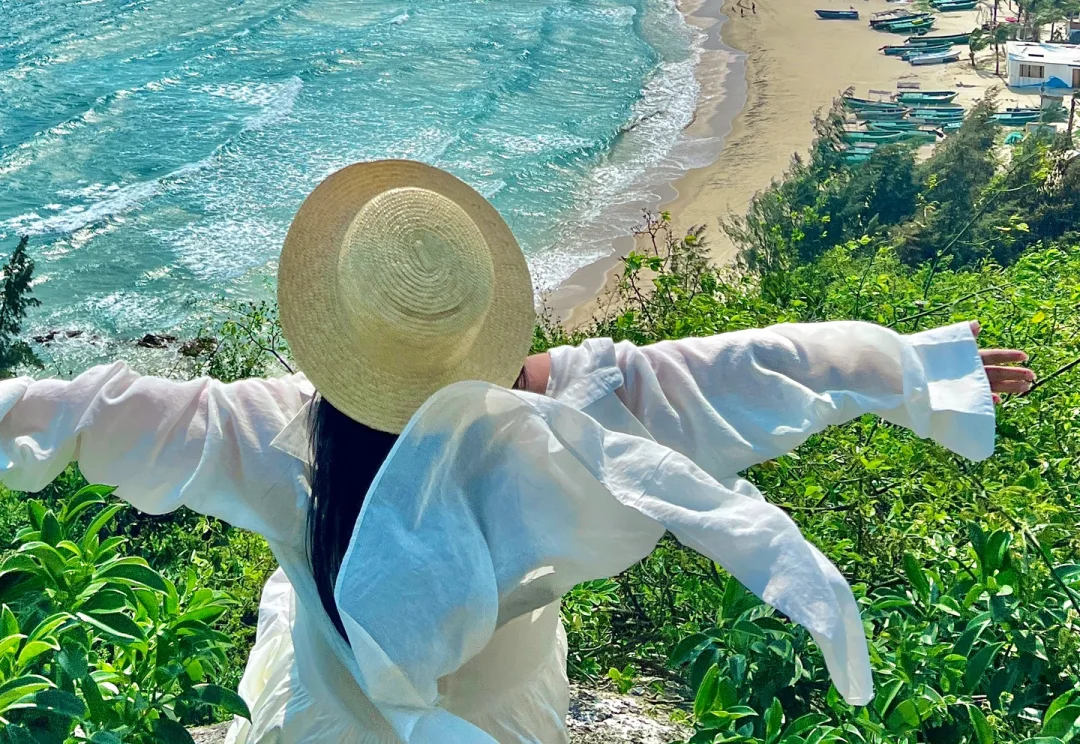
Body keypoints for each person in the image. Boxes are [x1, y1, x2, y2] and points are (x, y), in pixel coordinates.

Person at [0, 160, 1033, 744]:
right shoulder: (588, 402)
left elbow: (86, 410)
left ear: (335, 329)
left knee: (289, 612)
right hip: (509, 720)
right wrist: (917, 373)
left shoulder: (276, 431)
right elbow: (763, 369)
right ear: (486, 312)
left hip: (323, 722)